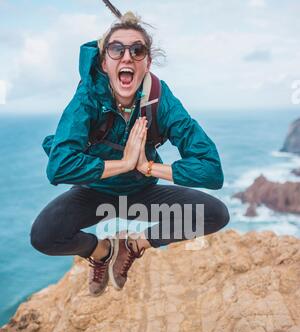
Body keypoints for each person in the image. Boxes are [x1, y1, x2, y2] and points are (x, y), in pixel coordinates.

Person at [30, 10, 230, 297]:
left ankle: (134, 244)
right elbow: (59, 167)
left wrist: (148, 167)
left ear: (147, 62)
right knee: (44, 236)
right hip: (96, 193)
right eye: (116, 49)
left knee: (215, 214)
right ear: (104, 61)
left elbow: (211, 171)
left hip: (142, 193)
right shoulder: (87, 97)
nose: (127, 56)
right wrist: (124, 163)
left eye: (137, 50)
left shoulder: (160, 98)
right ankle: (102, 251)